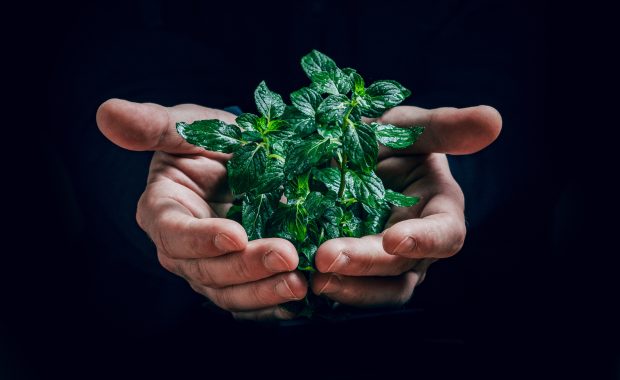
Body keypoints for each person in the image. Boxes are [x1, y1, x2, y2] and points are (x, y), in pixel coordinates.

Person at [95, 98, 501, 320]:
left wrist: (444, 174)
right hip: (169, 326)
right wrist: (158, 196)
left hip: (444, 321)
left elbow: (519, 105)